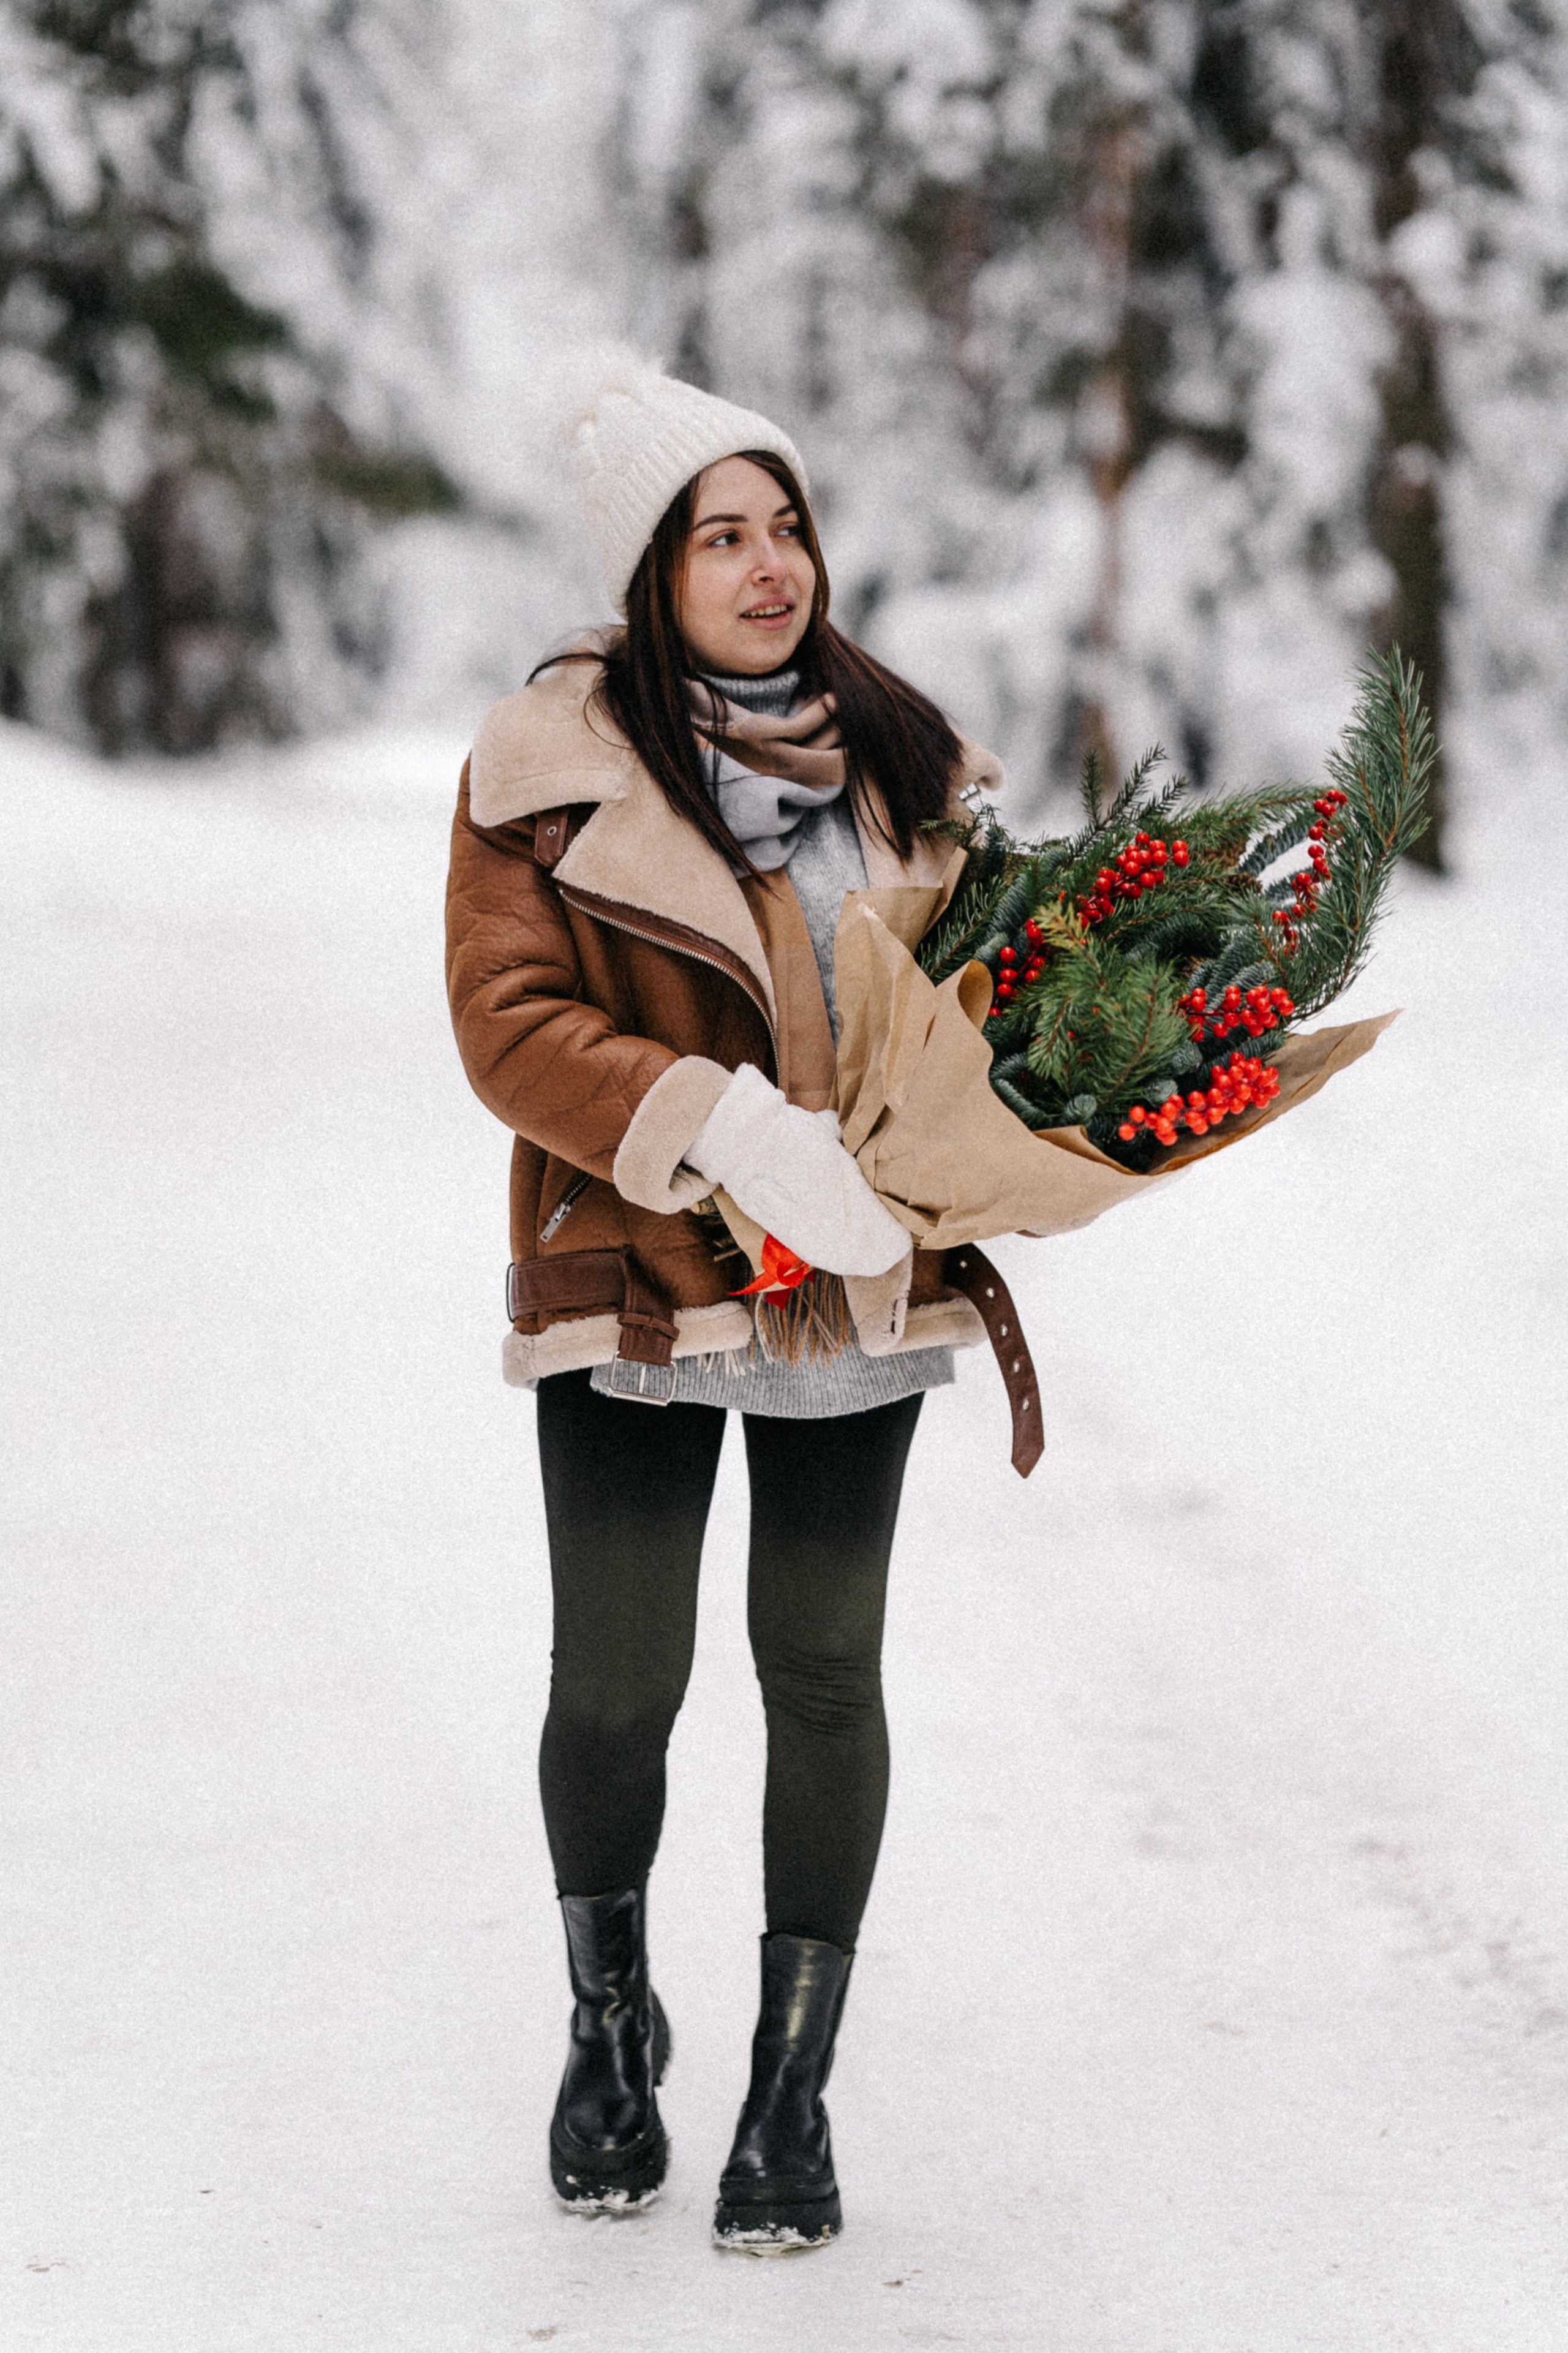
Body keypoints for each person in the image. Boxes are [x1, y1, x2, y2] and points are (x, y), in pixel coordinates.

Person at [445, 354, 1002, 2251]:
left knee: (825, 1671)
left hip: (853, 1283)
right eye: (724, 537)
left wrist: (1027, 1127)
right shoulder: (549, 766)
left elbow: (994, 1016)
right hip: (646, 1280)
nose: (774, 569)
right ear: (651, 574)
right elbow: (509, 1026)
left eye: (790, 529)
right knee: (618, 1681)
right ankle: (611, 2029)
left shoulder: (911, 762)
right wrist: (718, 1126)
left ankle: (790, 2085)